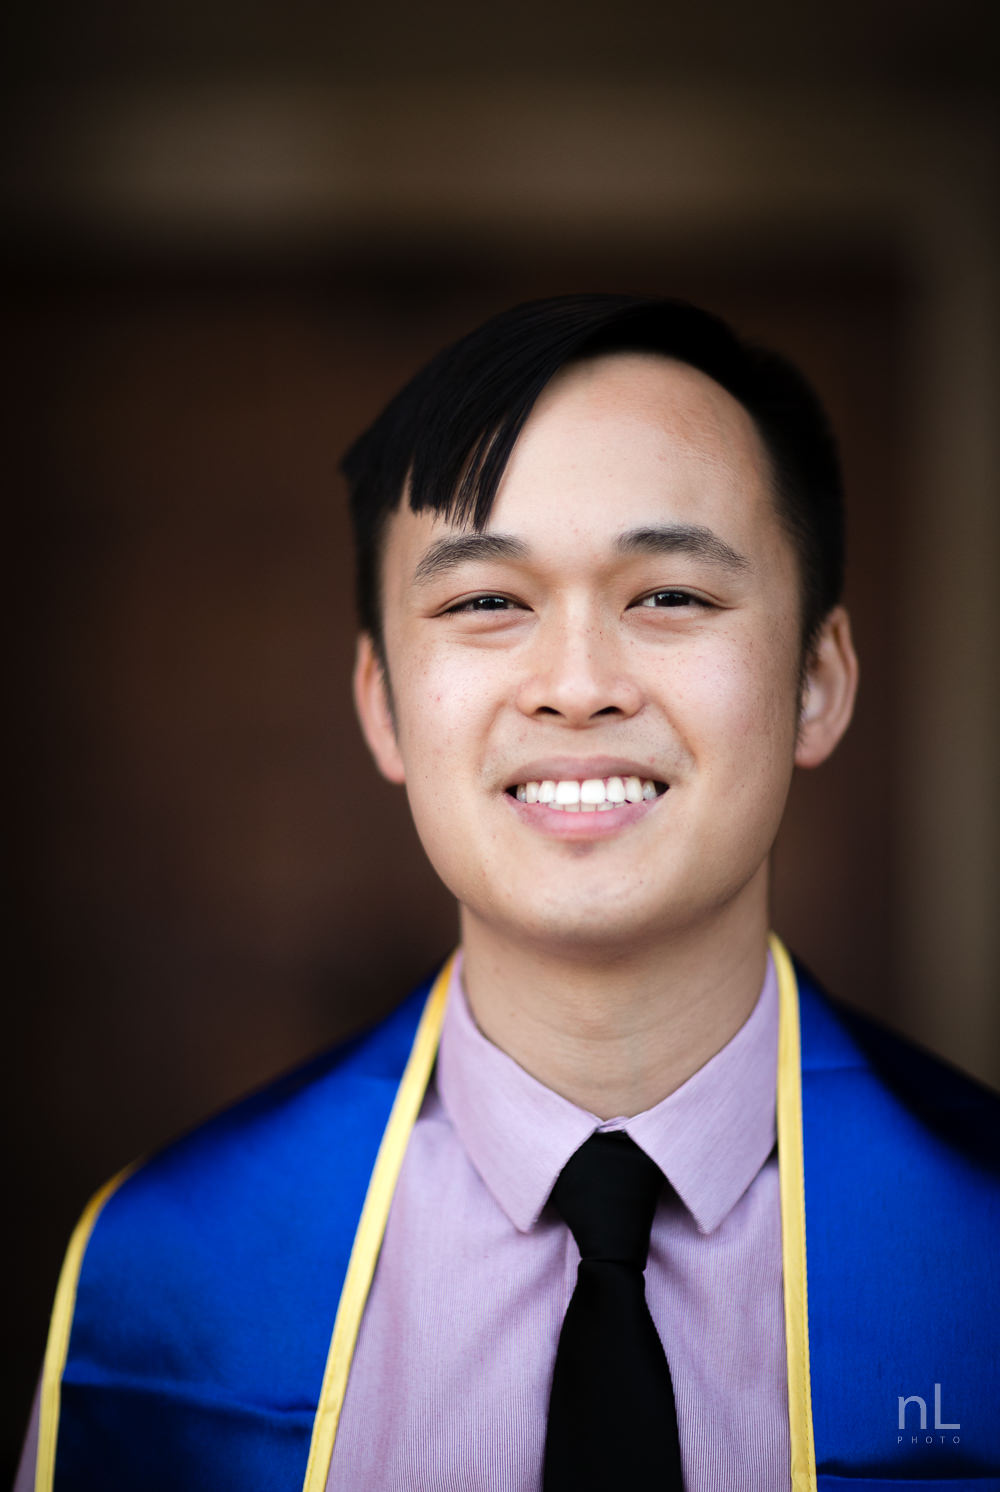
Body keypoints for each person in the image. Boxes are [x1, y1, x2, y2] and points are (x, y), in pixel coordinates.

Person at [18, 295, 1000, 1492]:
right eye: (486, 602)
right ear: (381, 704)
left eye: (669, 596)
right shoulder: (160, 1284)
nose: (577, 685)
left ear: (818, 684)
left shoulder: (979, 1249)